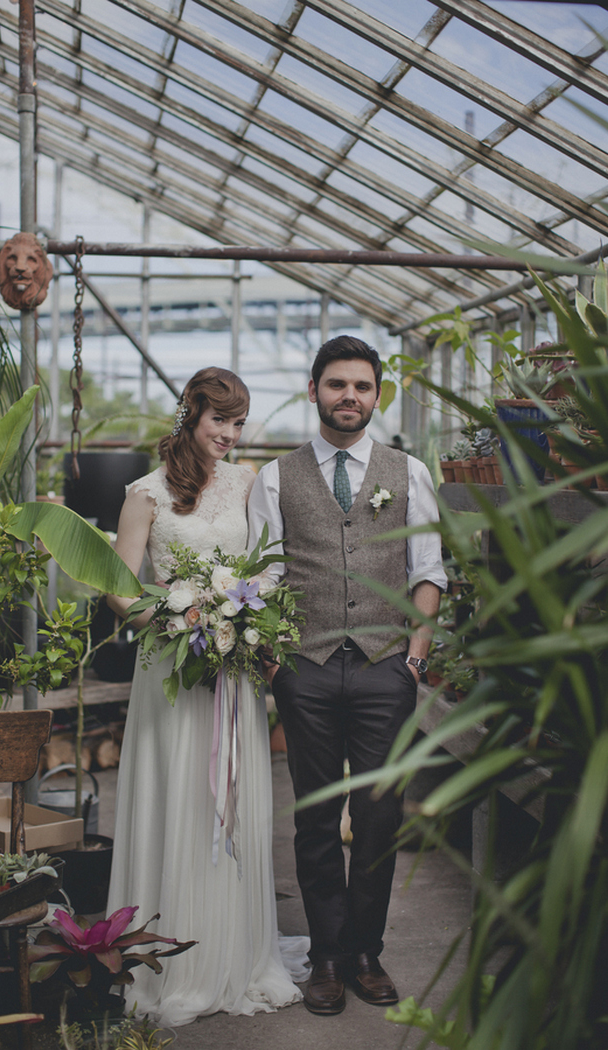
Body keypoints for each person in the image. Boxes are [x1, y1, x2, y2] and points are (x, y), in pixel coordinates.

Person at [247, 336, 446, 1016]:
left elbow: (428, 572)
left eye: (362, 386)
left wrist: (413, 659)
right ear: (314, 391)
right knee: (314, 817)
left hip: (385, 668)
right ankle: (326, 955)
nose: (349, 397)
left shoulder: (408, 471)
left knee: (381, 814)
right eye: (336, 385)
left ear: (378, 395)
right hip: (303, 669)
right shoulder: (275, 477)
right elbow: (264, 575)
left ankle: (366, 950)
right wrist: (275, 664)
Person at [106, 367, 304, 1028]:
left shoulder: (249, 483)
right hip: (171, 668)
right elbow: (119, 586)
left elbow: (269, 565)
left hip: (234, 666)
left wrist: (241, 619)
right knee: (178, 798)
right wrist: (175, 619)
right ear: (190, 415)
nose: (230, 433)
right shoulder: (145, 494)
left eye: (239, 421)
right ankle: (172, 962)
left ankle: (237, 955)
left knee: (229, 803)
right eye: (220, 419)